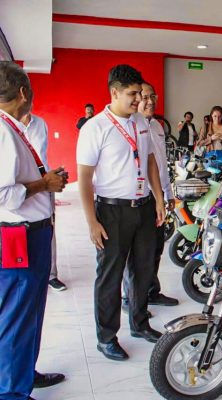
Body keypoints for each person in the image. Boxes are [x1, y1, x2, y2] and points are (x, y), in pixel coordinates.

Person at [77, 64, 166, 361]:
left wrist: (159, 198)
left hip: (143, 207)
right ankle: (106, 338)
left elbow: (150, 161)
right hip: (111, 211)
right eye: (132, 94)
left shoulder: (141, 122)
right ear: (114, 92)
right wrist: (92, 221)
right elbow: (84, 178)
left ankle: (140, 324)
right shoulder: (95, 128)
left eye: (140, 93)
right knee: (110, 275)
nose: (139, 99)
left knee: (143, 270)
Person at [0, 61, 66, 400]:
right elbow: (3, 194)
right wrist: (45, 184)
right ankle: (11, 392)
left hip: (32, 233)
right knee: (17, 315)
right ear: (24, 92)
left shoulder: (12, 128)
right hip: (17, 236)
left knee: (31, 312)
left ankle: (24, 373)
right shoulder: (3, 132)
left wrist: (44, 179)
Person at [122, 81, 178, 314]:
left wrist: (167, 193)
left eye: (152, 96)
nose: (150, 101)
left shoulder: (156, 126)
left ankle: (151, 291)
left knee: (155, 247)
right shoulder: (131, 125)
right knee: (136, 254)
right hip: (140, 198)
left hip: (158, 196)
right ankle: (130, 298)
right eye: (145, 97)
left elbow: (161, 164)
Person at [21, 112, 67, 292]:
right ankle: (23, 274)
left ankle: (51, 275)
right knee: (17, 230)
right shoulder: (6, 125)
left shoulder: (40, 123)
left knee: (49, 227)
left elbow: (42, 156)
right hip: (20, 186)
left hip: (45, 184)